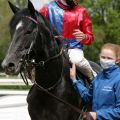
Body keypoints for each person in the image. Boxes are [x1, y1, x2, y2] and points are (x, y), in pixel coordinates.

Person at [39, 0, 96, 80]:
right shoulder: (47, 8)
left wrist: (84, 37)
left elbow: (90, 37)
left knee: (77, 60)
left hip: (74, 49)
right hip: (53, 48)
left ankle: (94, 79)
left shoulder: (82, 11)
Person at [70, 43, 120, 120]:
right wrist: (74, 80)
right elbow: (87, 97)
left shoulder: (118, 79)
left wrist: (97, 115)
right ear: (99, 57)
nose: (105, 60)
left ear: (117, 60)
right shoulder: (98, 78)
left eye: (109, 58)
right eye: (103, 57)